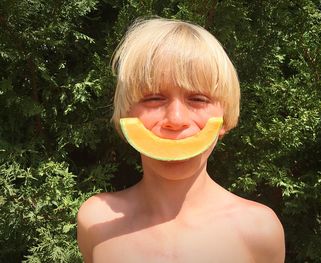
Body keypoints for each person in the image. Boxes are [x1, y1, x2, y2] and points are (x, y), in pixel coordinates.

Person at [77, 17, 285, 263]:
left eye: (198, 99)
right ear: (127, 115)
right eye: (154, 98)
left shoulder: (260, 230)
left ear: (225, 118)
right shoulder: (95, 220)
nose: (176, 120)